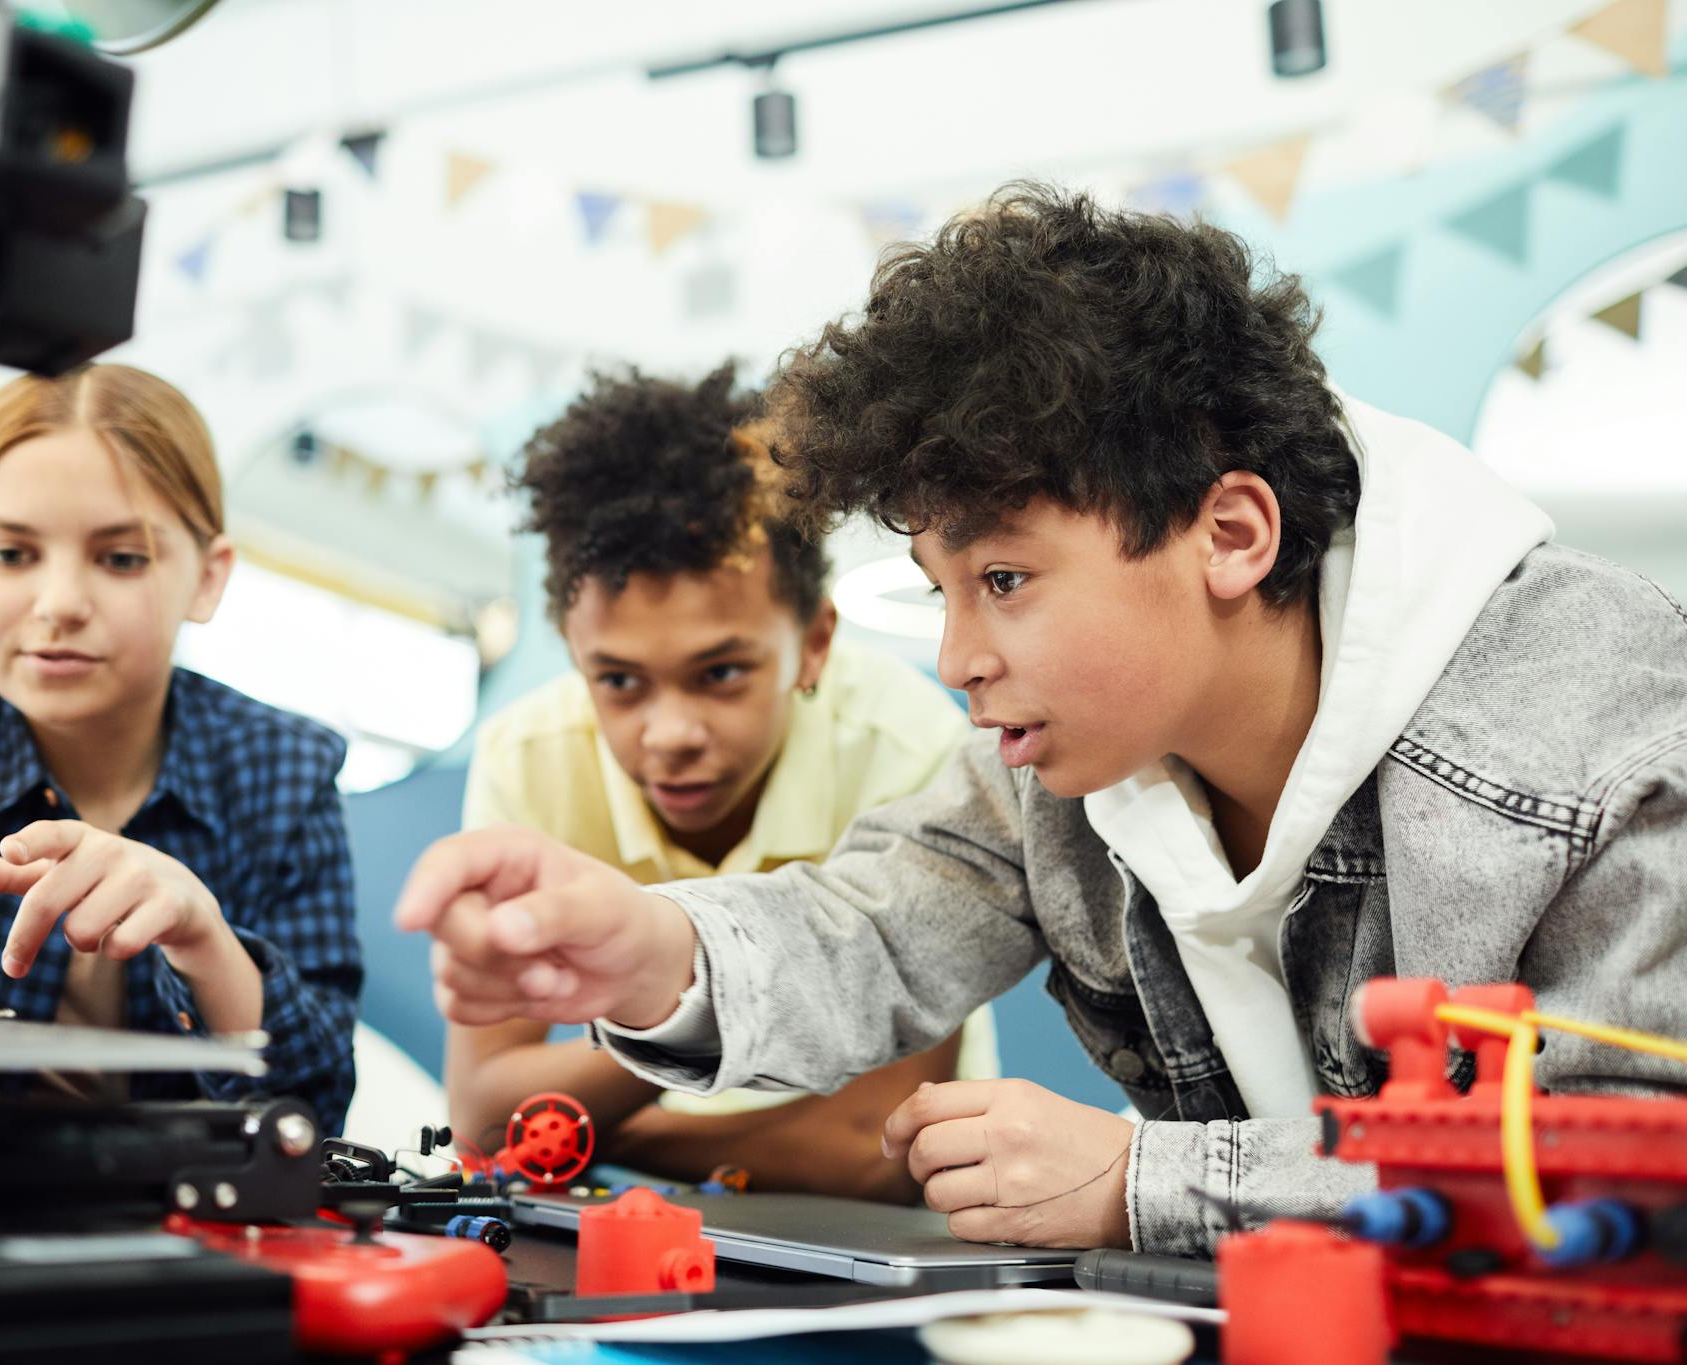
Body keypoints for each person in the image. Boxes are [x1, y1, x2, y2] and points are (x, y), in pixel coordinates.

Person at [398, 184, 1687, 1255]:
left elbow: (1634, 1172)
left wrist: (1145, 1182)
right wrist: (649, 949)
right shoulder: (1064, 759)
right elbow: (872, 923)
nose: (956, 660)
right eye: (941, 591)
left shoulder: (1601, 719)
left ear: (1229, 534)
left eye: (1003, 580)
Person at [447, 364, 982, 1202]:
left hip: (864, 1234)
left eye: (722, 672)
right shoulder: (529, 757)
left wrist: (594, 1119)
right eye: (618, 680)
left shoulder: (908, 746)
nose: (670, 734)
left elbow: (871, 1149)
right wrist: (673, 1010)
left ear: (814, 642)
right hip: (618, 1213)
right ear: (573, 651)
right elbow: (483, 1118)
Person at [0, 364, 359, 1130]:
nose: (61, 605)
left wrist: (204, 938)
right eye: (11, 554)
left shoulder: (288, 771)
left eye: (121, 558)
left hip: (181, 1199)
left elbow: (314, 1110)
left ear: (208, 579)